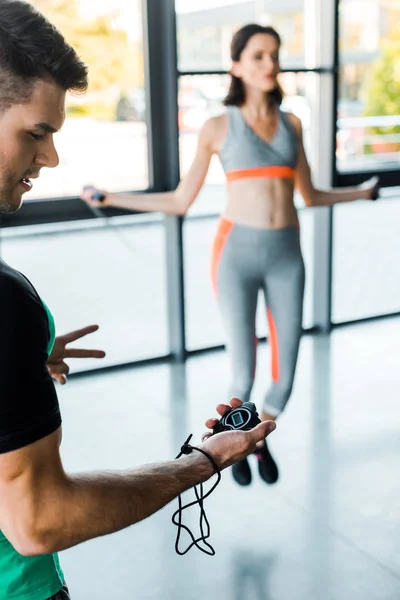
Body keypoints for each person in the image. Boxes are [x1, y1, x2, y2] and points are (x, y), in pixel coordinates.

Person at [0, 4, 277, 600]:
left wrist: (16, 367)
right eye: (37, 133)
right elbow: (38, 520)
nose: (50, 158)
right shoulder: (5, 301)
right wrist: (200, 462)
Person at [82, 23, 380, 488]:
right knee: (243, 371)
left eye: (274, 54)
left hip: (287, 255)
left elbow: (312, 194)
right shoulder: (218, 126)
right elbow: (180, 200)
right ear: (237, 66)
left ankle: (252, 440)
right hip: (234, 255)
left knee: (286, 373)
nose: (270, 63)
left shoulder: (293, 123)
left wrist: (360, 195)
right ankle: (236, 446)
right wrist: (112, 196)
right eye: (258, 55)